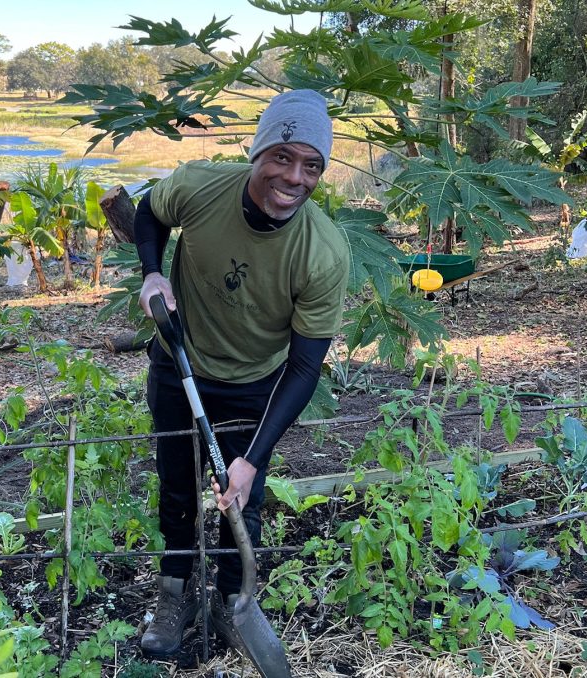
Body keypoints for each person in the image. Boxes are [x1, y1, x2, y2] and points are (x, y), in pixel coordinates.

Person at [134, 89, 350, 658]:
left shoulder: (322, 252)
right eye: (283, 156)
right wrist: (154, 274)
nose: (294, 177)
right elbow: (148, 212)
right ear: (258, 153)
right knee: (177, 486)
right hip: (180, 362)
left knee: (240, 500)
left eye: (312, 165)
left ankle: (235, 601)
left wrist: (251, 460)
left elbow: (305, 366)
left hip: (256, 381)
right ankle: (173, 592)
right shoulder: (201, 186)